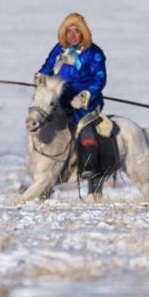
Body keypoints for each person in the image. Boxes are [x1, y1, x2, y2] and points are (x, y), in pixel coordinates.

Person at [39, 13, 107, 180]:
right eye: (69, 31)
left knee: (85, 127)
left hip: (84, 103)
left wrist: (87, 94)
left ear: (83, 33)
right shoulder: (59, 49)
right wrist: (41, 77)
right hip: (60, 100)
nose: (73, 35)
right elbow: (48, 67)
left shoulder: (94, 52)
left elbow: (100, 78)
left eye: (76, 31)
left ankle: (89, 166)